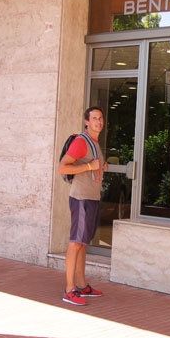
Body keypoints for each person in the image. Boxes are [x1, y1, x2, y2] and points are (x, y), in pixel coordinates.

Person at [58, 106, 108, 305]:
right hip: (81, 199)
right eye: (94, 118)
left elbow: (93, 166)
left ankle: (81, 285)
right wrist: (89, 166)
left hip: (92, 198)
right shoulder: (81, 142)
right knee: (75, 243)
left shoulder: (94, 143)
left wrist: (101, 166)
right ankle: (69, 290)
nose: (98, 121)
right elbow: (62, 167)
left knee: (83, 243)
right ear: (87, 122)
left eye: (100, 118)